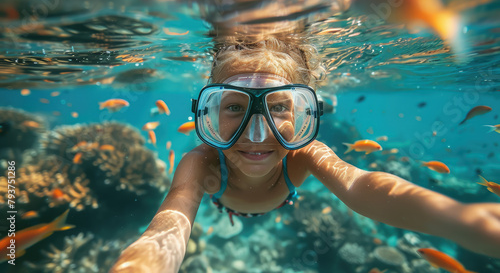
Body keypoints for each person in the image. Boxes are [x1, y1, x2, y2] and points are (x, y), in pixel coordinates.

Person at [110, 38, 500, 273]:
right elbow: (168, 224)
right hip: (226, 203)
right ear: (206, 114)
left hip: (280, 199)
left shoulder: (306, 154)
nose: (257, 132)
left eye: (279, 107)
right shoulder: (201, 162)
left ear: (304, 114)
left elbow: (361, 184)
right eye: (233, 108)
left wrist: (458, 219)